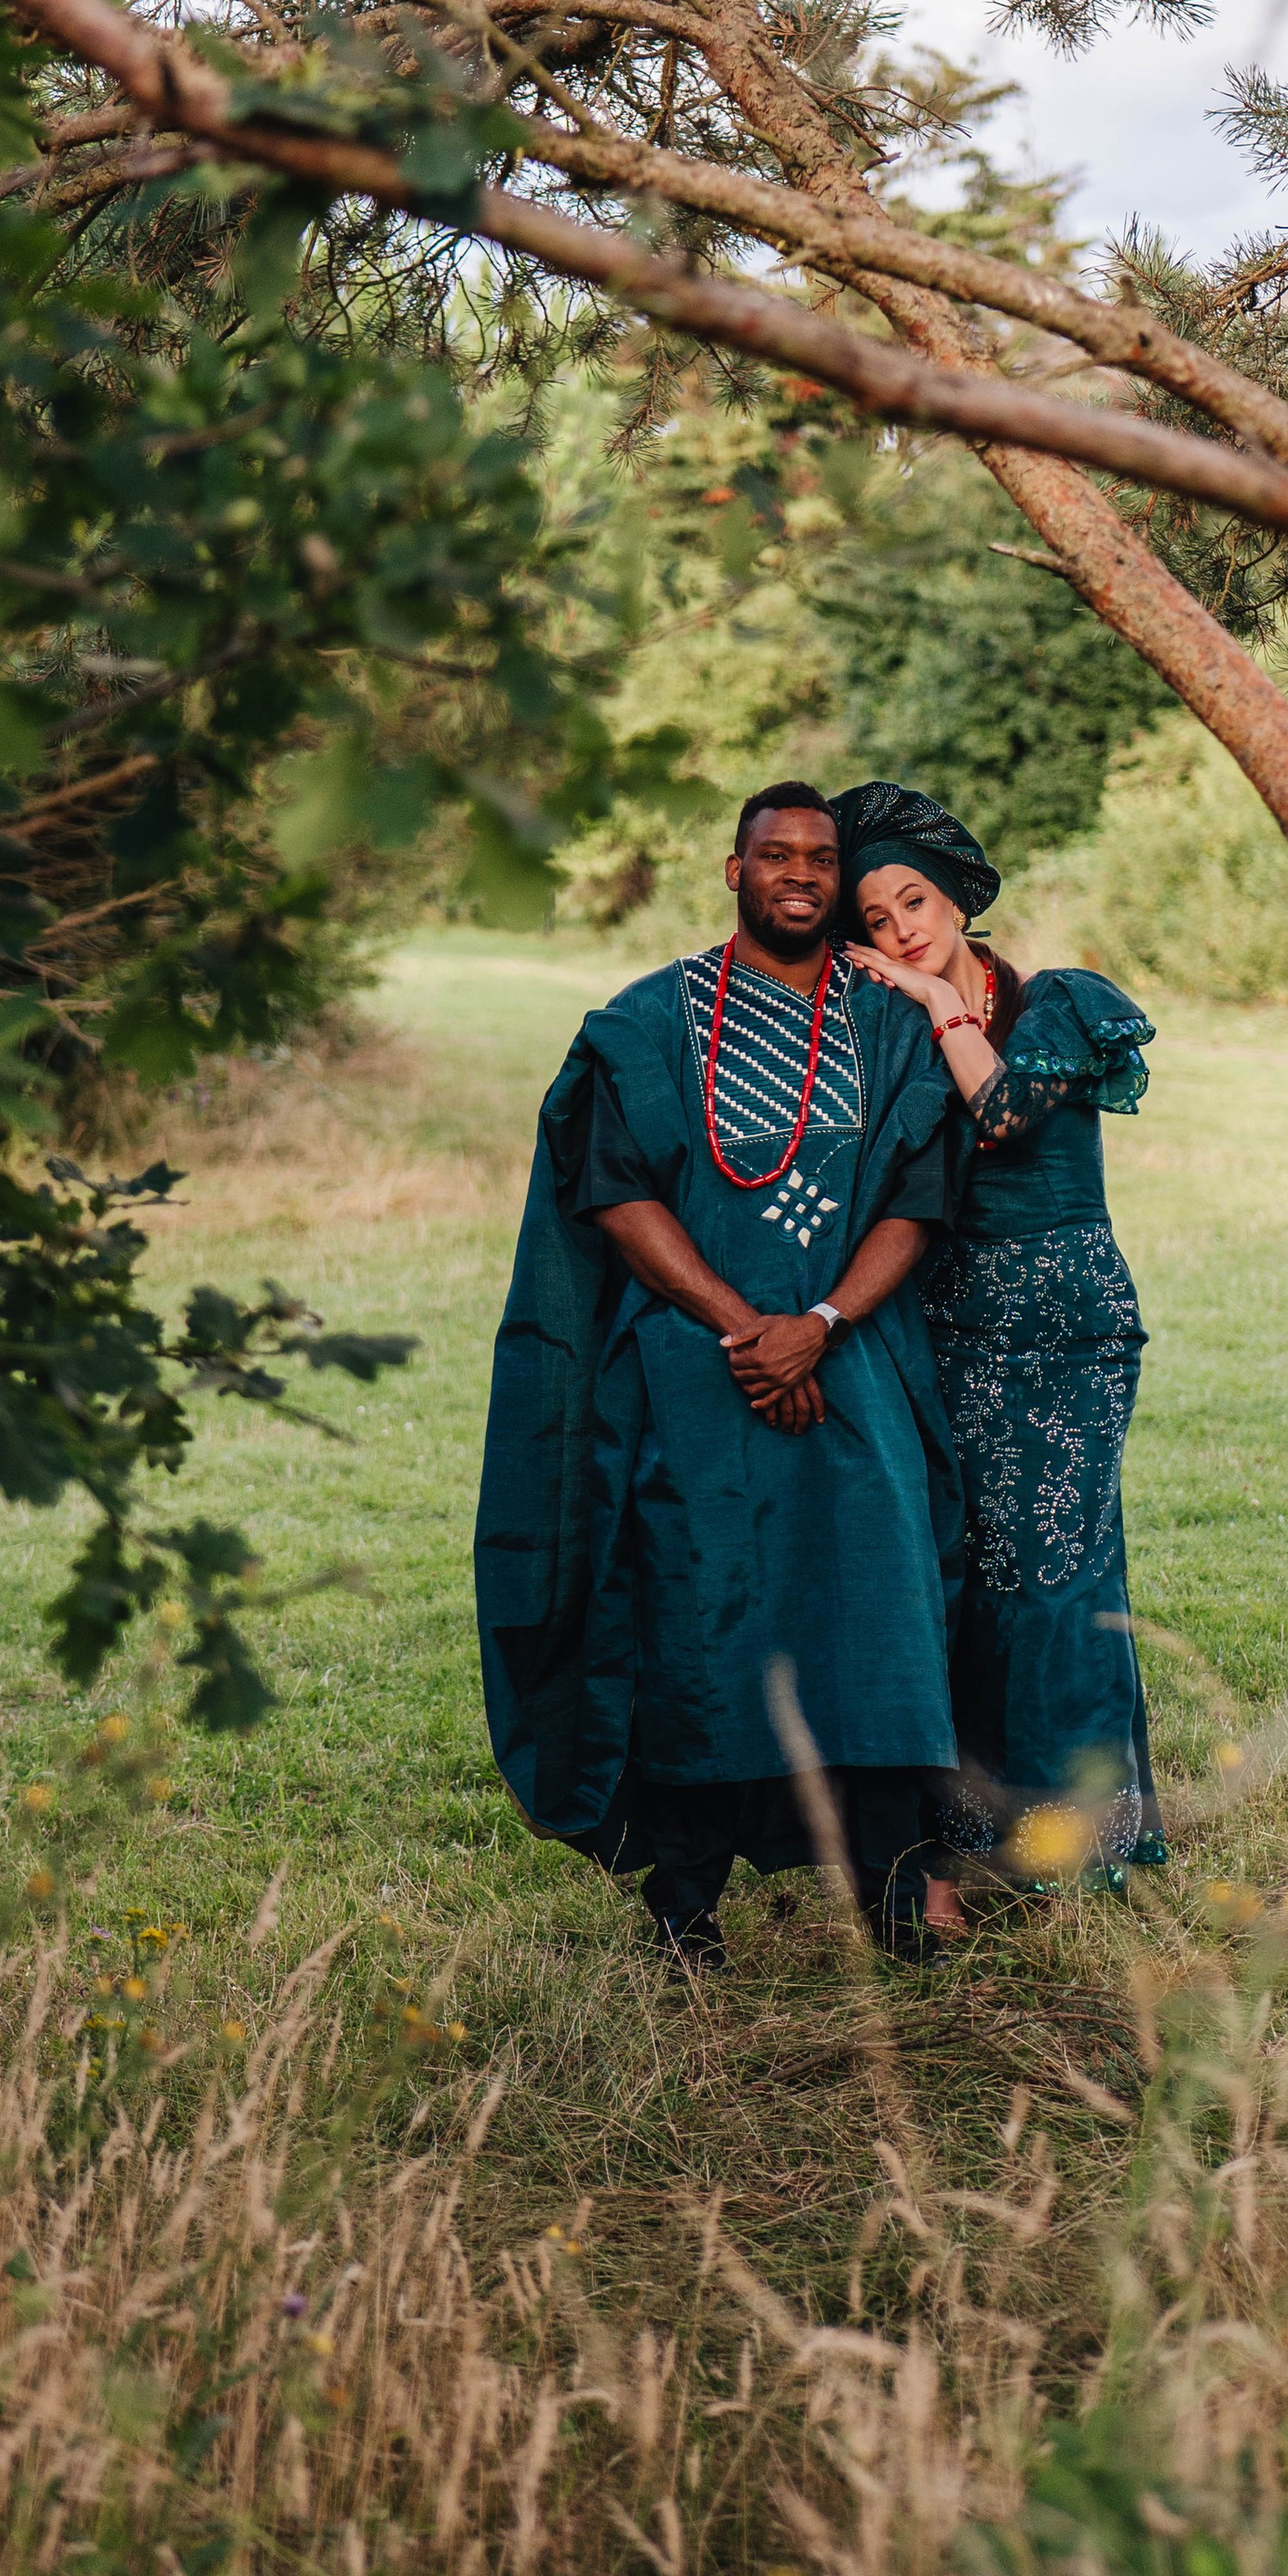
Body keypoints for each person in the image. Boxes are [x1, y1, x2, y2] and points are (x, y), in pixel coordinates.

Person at [475, 781, 969, 1971]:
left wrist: (821, 1320)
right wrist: (748, 1326)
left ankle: (897, 1898)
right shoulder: (646, 1023)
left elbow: (916, 1199)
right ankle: (685, 1907)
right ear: (734, 868)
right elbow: (615, 1188)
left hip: (855, 1366)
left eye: (819, 857)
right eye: (775, 854)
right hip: (695, 1377)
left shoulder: (891, 1026)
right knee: (699, 1617)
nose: (798, 872)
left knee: (881, 1613)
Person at [832, 779, 1167, 1913]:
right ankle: (977, 1841)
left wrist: (935, 999)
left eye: (912, 902)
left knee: (1058, 1581)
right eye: (874, 923)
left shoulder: (1060, 1001)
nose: (900, 930)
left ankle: (1083, 1844)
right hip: (954, 1330)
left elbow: (1012, 1116)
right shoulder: (891, 1028)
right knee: (969, 1583)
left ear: (956, 893)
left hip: (1070, 1329)